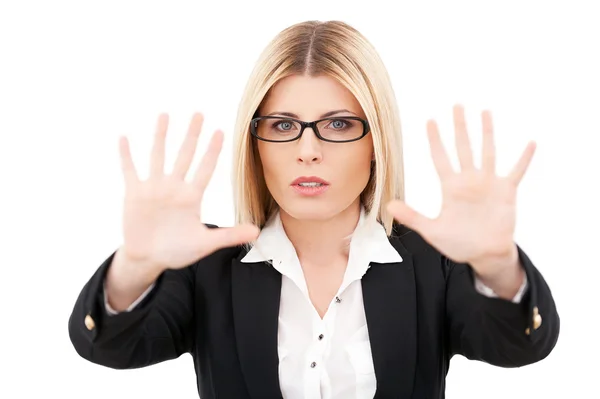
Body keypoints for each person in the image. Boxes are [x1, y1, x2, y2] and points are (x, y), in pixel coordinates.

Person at [68, 20, 560, 398]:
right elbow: (109, 346)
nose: (307, 150)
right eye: (283, 126)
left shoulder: (437, 265)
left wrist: (496, 266)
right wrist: (136, 266)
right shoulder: (204, 268)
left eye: (339, 124)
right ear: (255, 144)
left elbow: (518, 347)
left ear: (376, 143)